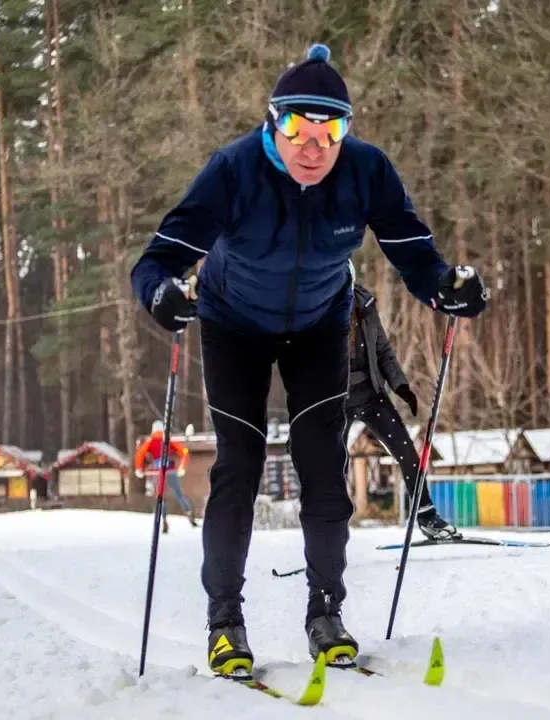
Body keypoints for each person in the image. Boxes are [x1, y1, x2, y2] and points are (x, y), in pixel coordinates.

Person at [129, 42, 488, 678]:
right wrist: (161, 296)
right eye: (299, 127)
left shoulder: (366, 172)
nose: (314, 145)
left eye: (331, 130)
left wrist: (446, 289)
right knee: (236, 468)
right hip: (232, 327)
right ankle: (225, 625)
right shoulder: (234, 169)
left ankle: (326, 612)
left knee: (322, 470)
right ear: (274, 122)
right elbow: (157, 260)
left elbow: (415, 254)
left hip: (321, 326)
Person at [346, 262, 459, 541]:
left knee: (407, 451)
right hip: (336, 398)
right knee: (332, 462)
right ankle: (330, 531)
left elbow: (382, 350)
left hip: (372, 394)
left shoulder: (366, 304)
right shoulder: (318, 311)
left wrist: (401, 386)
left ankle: (427, 515)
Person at [133, 420, 198, 533]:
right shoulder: (169, 440)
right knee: (179, 494)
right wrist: (182, 467)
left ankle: (164, 521)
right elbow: (184, 452)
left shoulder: (150, 441)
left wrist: (139, 469)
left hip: (159, 474)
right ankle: (189, 514)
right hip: (171, 471)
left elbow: (139, 454)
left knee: (161, 497)